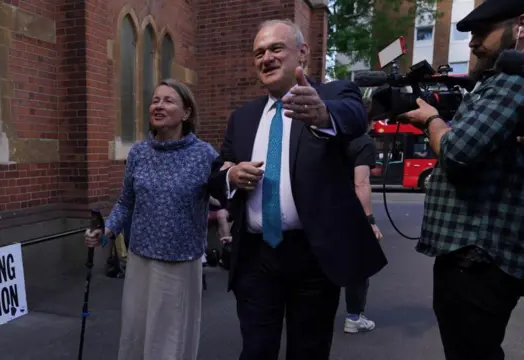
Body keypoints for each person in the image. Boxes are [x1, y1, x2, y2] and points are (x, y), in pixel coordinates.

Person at [208, 19, 387, 360]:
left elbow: (353, 116)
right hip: (256, 257)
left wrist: (323, 116)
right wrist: (230, 178)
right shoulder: (243, 118)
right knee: (256, 349)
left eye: (276, 48)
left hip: (314, 257)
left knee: (309, 350)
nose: (266, 58)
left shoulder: (333, 95)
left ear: (302, 53)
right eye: (259, 52)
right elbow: (219, 171)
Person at [399, 1, 524, 359]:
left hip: (478, 258)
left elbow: (458, 151)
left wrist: (430, 120)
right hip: (477, 257)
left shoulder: (512, 79)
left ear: (520, 25)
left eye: (483, 32)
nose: (472, 42)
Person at [84, 79, 218, 360]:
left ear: (186, 113)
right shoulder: (139, 154)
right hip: (140, 261)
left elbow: (227, 189)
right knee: (136, 335)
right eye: (155, 100)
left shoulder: (204, 155)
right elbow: (125, 203)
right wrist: (106, 230)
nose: (158, 106)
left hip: (180, 264)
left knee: (169, 341)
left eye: (168, 100)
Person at [343, 120, 384, 334]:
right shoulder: (363, 142)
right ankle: (354, 317)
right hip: (349, 213)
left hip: (319, 208)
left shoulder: (329, 137)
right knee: (358, 265)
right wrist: (370, 221)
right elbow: (361, 183)